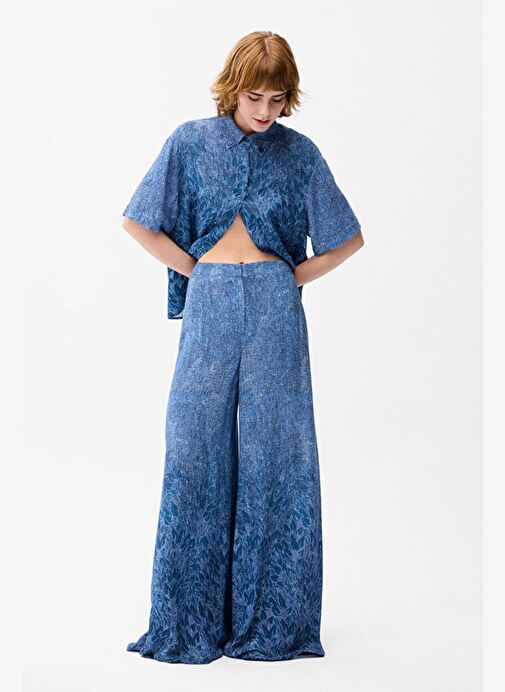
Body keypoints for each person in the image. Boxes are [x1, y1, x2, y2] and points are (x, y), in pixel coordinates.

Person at [122, 30, 364, 665]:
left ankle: (272, 624)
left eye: (277, 99)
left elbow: (348, 237)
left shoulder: (300, 153)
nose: (265, 110)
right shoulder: (190, 142)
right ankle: (187, 623)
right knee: (193, 450)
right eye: (254, 96)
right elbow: (137, 220)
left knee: (278, 456)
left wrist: (289, 276)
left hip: (275, 309)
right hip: (210, 304)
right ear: (232, 88)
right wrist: (198, 270)